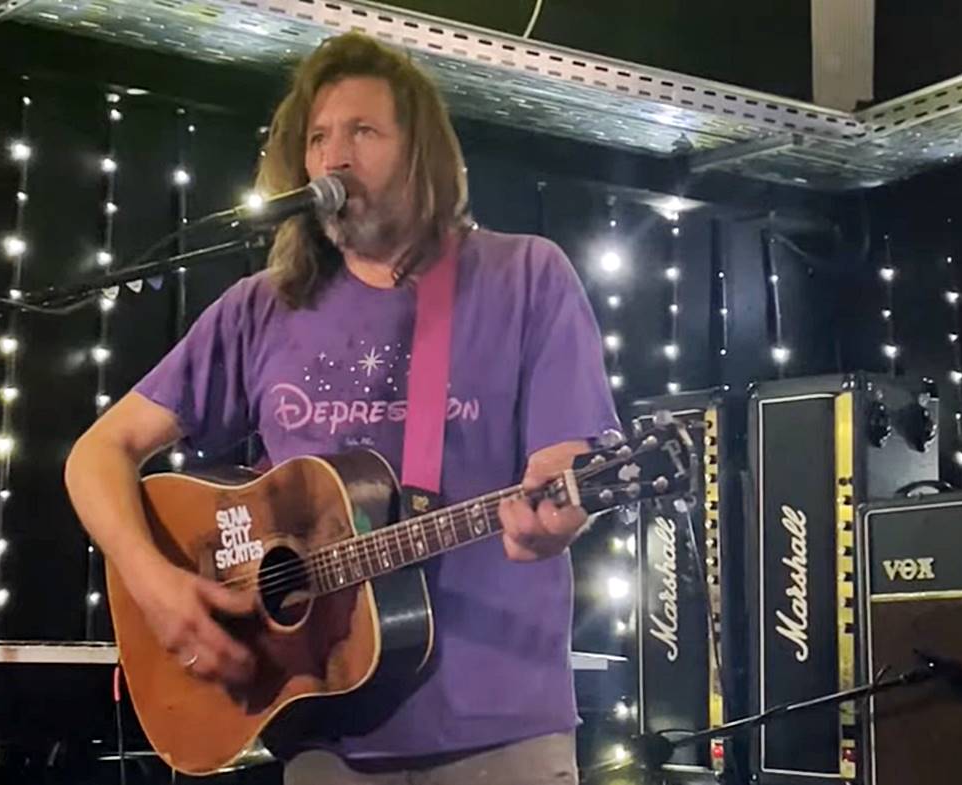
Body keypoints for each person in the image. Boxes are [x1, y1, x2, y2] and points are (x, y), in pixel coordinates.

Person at [65, 31, 619, 785]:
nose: (334, 157)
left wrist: (557, 510)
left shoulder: (524, 276)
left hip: (499, 729)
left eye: (363, 131)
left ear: (419, 152)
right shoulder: (263, 307)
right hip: (323, 733)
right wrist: (154, 583)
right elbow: (97, 454)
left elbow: (569, 457)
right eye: (318, 138)